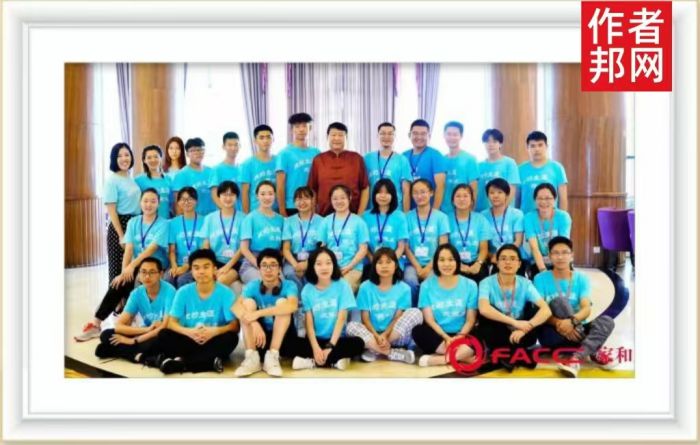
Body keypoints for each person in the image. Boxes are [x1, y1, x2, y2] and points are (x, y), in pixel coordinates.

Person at [75, 188, 169, 341]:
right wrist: (124, 272)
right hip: (138, 265)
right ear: (140, 203)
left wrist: (131, 266)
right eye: (145, 201)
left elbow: (151, 249)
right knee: (118, 282)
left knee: (136, 280)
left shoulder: (163, 224)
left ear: (158, 204)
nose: (149, 204)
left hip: (155, 265)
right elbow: (129, 249)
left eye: (153, 201)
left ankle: (132, 323)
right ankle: (96, 324)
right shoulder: (133, 222)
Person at [534, 236, 617, 378]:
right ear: (549, 256)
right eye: (556, 253)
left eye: (565, 252)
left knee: (607, 321)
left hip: (577, 328)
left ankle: (575, 358)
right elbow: (540, 311)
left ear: (571, 255)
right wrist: (560, 323)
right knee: (559, 302)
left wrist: (572, 322)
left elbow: (586, 308)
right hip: (553, 334)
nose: (560, 257)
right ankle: (592, 349)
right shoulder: (540, 278)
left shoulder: (581, 278)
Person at [156, 248, 240, 374]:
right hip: (189, 337)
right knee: (164, 334)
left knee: (231, 338)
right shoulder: (183, 292)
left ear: (214, 269)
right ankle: (207, 362)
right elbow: (171, 323)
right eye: (196, 268)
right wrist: (189, 332)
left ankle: (182, 362)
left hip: (213, 338)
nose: (201, 271)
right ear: (191, 271)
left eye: (206, 267)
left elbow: (234, 326)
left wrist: (214, 331)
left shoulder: (226, 293)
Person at [476, 244, 552, 371]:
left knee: (535, 310)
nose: (508, 262)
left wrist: (526, 328)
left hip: (521, 333)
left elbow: (546, 310)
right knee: (486, 316)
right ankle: (519, 354)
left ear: (519, 264)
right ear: (497, 262)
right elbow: (483, 309)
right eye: (503, 258)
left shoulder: (526, 283)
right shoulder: (486, 283)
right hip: (498, 330)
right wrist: (514, 323)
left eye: (512, 259)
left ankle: (505, 356)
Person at [288, 247, 364, 370]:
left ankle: (312, 362)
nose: (324, 267)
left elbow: (342, 318)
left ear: (334, 265)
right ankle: (334, 361)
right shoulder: (307, 290)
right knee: (290, 345)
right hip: (316, 340)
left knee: (358, 343)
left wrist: (330, 346)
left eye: (328, 263)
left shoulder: (343, 285)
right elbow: (309, 323)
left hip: (337, 339)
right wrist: (315, 348)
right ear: (312, 267)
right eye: (319, 264)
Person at [346, 248, 422, 364]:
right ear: (374, 266)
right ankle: (391, 353)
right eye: (380, 262)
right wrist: (377, 336)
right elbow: (365, 319)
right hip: (372, 335)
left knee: (416, 313)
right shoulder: (365, 287)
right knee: (350, 326)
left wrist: (385, 336)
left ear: (396, 265)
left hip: (395, 336)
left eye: (388, 262)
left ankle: (375, 350)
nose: (384, 266)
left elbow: (397, 318)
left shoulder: (404, 288)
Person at [232, 249, 300, 377]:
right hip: (259, 339)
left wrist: (258, 314)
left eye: (273, 265)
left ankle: (272, 357)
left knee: (282, 303)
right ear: (259, 269)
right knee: (248, 303)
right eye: (264, 265)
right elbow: (236, 307)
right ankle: (252, 358)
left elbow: (292, 305)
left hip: (283, 341)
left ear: (279, 268)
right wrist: (254, 323)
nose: (268, 269)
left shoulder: (289, 285)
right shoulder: (253, 285)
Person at [94, 257, 175, 364]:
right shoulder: (136, 293)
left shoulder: (170, 291)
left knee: (164, 337)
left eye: (152, 272)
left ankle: (123, 352)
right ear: (139, 275)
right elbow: (119, 325)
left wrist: (132, 341)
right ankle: (138, 355)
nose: (147, 276)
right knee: (106, 335)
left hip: (162, 333)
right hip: (147, 331)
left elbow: (164, 326)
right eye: (143, 272)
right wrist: (146, 330)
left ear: (161, 274)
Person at [411, 244, 479, 367]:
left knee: (481, 334)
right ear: (436, 263)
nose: (446, 264)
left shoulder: (471, 285)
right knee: (418, 331)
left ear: (457, 261)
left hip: (463, 333)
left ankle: (442, 359)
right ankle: (462, 355)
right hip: (439, 335)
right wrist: (446, 337)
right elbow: (429, 320)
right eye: (442, 260)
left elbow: (470, 320)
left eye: (451, 259)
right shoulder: (426, 285)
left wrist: (459, 337)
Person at [307, 122, 370, 216]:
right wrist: (314, 215)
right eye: (333, 135)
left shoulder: (356, 158)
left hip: (352, 215)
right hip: (324, 216)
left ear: (346, 137)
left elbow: (365, 188)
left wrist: (360, 215)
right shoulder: (318, 160)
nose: (337, 138)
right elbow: (312, 189)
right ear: (327, 137)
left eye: (341, 135)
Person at [404, 179, 450, 305]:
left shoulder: (441, 217)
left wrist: (429, 267)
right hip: (412, 264)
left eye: (423, 192)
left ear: (431, 193)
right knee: (410, 281)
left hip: (435, 263)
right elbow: (405, 247)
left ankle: (430, 312)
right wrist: (418, 267)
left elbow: (443, 246)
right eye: (415, 193)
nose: (419, 196)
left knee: (432, 283)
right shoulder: (406, 217)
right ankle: (414, 312)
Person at [317, 185, 370, 294]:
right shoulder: (325, 221)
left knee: (343, 289)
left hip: (353, 268)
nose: (339, 201)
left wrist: (348, 267)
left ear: (349, 198)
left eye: (342, 197)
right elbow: (322, 248)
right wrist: (329, 267)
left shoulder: (359, 222)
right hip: (330, 268)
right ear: (331, 200)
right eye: (335, 198)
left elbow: (363, 249)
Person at [102, 142, 141, 285]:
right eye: (120, 156)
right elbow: (111, 210)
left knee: (131, 270)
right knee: (118, 270)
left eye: (127, 155)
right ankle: (116, 300)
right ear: (114, 159)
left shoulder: (130, 178)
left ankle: (130, 299)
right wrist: (121, 235)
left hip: (135, 224)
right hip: (121, 225)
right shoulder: (112, 181)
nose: (124, 158)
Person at [239, 181, 284, 284]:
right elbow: (244, 249)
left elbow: (283, 248)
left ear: (275, 195)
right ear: (257, 196)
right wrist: (260, 265)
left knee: (280, 284)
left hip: (273, 263)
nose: (267, 197)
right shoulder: (250, 218)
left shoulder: (281, 220)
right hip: (252, 263)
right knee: (265, 282)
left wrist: (276, 265)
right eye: (263, 194)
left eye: (270, 194)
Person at [275, 113, 320, 216]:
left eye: (304, 126)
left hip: (312, 205)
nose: (301, 129)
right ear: (292, 129)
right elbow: (280, 185)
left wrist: (315, 204)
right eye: (297, 126)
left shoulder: (316, 152)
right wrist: (282, 211)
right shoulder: (284, 153)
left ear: (310, 128)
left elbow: (318, 182)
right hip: (292, 205)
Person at [523, 183, 572, 277]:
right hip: (538, 261)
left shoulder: (563, 217)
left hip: (560, 259)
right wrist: (543, 271)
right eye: (540, 198)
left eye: (547, 198)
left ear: (554, 199)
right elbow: (534, 248)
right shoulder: (529, 218)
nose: (543, 202)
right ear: (535, 200)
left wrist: (557, 269)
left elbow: (562, 246)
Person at [201, 181, 245, 287]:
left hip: (235, 263)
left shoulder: (244, 218)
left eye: (231, 195)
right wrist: (211, 266)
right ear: (219, 196)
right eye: (225, 194)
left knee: (220, 281)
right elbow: (206, 245)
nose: (228, 198)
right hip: (215, 261)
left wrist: (227, 267)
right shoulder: (209, 218)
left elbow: (243, 248)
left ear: (237, 197)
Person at [363, 122, 413, 212]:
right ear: (377, 136)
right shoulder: (367, 158)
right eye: (383, 133)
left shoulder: (402, 160)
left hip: (395, 211)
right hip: (372, 211)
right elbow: (363, 187)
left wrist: (406, 215)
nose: (386, 137)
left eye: (390, 134)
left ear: (394, 137)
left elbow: (406, 191)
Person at [281, 186, 322, 293]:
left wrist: (307, 263)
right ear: (294, 202)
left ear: (312, 200)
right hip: (293, 260)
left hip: (314, 259)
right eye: (299, 199)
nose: (302, 202)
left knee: (315, 273)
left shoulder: (322, 221)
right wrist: (296, 265)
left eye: (306, 198)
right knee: (290, 273)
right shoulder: (288, 221)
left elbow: (322, 248)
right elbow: (286, 249)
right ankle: (297, 301)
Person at [447, 183, 491, 283]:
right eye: (458, 196)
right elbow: (445, 247)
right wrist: (458, 264)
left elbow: (484, 249)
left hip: (476, 261)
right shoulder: (446, 219)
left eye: (465, 196)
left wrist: (478, 264)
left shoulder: (480, 219)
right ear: (453, 200)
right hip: (453, 262)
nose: (462, 199)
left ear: (472, 200)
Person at [480, 178, 525, 274]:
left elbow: (518, 241)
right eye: (492, 193)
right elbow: (483, 244)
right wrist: (492, 256)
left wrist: (503, 256)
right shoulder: (482, 216)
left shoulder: (517, 214)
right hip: (492, 258)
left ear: (507, 195)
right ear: (487, 196)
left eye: (500, 192)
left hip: (513, 257)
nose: (495, 196)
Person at [518, 131, 568, 213]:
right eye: (533, 146)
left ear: (546, 146)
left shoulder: (557, 168)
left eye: (540, 145)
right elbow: (516, 199)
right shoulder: (520, 169)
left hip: (550, 217)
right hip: (526, 217)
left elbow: (563, 199)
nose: (537, 149)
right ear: (527, 148)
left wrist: (562, 217)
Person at [402, 119, 447, 209]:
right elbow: (403, 189)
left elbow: (440, 187)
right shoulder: (403, 156)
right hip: (410, 211)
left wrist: (433, 212)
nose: (419, 137)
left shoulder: (435, 155)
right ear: (409, 135)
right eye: (415, 133)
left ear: (429, 136)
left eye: (423, 134)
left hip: (429, 210)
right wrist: (406, 213)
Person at [363, 179, 409, 266]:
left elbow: (401, 247)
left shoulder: (400, 216)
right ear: (374, 194)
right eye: (379, 192)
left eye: (387, 193)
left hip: (394, 263)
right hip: (372, 263)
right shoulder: (365, 216)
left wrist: (389, 264)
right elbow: (364, 245)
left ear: (393, 195)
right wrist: (374, 262)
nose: (383, 196)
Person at [167, 187, 206, 288]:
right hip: (178, 264)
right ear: (178, 202)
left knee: (183, 279)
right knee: (168, 277)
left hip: (197, 264)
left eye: (190, 199)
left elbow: (204, 250)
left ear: (196, 201)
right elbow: (172, 250)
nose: (186, 202)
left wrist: (187, 266)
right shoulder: (173, 223)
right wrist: (174, 266)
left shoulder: (205, 221)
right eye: (183, 199)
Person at [475, 128, 521, 211]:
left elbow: (511, 190)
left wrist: (500, 211)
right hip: (482, 212)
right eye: (487, 141)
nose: (491, 145)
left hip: (503, 212)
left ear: (500, 144)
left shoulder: (509, 163)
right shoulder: (478, 166)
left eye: (494, 141)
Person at [441, 121, 479, 215]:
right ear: (444, 135)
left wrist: (471, 211)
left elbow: (474, 188)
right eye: (449, 134)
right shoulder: (441, 160)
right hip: (444, 211)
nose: (452, 138)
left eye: (455, 134)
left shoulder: (470, 159)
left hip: (463, 211)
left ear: (461, 136)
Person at [172, 137, 216, 215]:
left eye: (200, 150)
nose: (197, 153)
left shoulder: (212, 172)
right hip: (193, 219)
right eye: (193, 150)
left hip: (212, 218)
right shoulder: (181, 175)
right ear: (187, 154)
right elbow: (178, 205)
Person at [240, 125, 277, 213]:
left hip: (276, 211)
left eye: (268, 137)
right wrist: (246, 216)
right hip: (256, 212)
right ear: (255, 141)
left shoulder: (279, 161)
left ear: (273, 139)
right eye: (261, 138)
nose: (265, 141)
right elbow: (244, 193)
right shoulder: (247, 164)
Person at [135, 144, 172, 219]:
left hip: (166, 221)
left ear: (161, 158)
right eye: (149, 157)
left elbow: (172, 203)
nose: (153, 160)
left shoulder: (169, 179)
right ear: (144, 160)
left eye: (156, 157)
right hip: (147, 222)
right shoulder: (138, 180)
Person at [210, 132, 242, 211]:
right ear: (223, 147)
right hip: (226, 214)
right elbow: (214, 195)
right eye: (230, 145)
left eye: (236, 145)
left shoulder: (243, 168)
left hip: (242, 214)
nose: (233, 148)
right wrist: (227, 212)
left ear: (240, 146)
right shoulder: (217, 170)